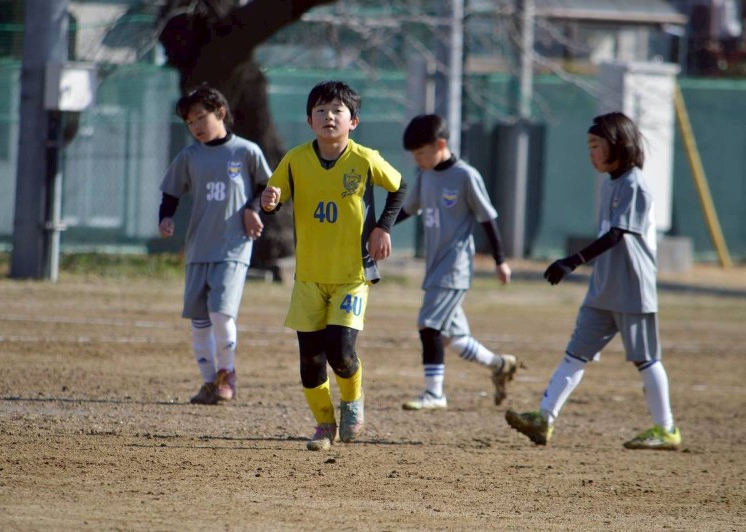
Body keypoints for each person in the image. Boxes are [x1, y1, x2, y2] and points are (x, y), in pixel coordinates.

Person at [505, 111, 681, 450]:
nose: (591, 153)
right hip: (603, 288)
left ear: (618, 144)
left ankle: (666, 429)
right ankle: (544, 419)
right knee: (575, 354)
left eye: (596, 145)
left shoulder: (634, 185)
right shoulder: (610, 183)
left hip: (632, 288)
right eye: (589, 146)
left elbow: (616, 235)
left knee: (646, 359)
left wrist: (572, 261)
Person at [261, 80, 407, 451]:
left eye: (338, 110)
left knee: (340, 352)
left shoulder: (364, 158)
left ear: (353, 121)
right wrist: (268, 201)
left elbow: (399, 187)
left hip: (351, 275)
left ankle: (352, 400)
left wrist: (382, 228)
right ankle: (325, 425)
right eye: (321, 110)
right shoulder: (295, 159)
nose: (329, 116)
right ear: (309, 120)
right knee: (310, 358)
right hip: (309, 276)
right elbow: (273, 200)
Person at [394, 114, 518, 411]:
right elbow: (407, 210)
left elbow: (488, 219)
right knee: (451, 337)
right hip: (435, 268)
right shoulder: (425, 177)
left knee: (428, 325)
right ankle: (500, 365)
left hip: (454, 267)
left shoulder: (465, 176)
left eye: (421, 153)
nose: (417, 160)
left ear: (440, 145)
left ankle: (434, 394)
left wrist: (500, 261)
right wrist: (376, 229)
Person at [159, 85, 271, 405]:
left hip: (233, 247)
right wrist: (166, 217)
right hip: (198, 249)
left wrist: (253, 209)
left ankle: (227, 374)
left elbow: (267, 187)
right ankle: (209, 382)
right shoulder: (190, 156)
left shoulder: (246, 151)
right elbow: (171, 192)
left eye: (200, 117)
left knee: (221, 314)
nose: (195, 126)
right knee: (199, 322)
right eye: (189, 122)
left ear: (220, 113)